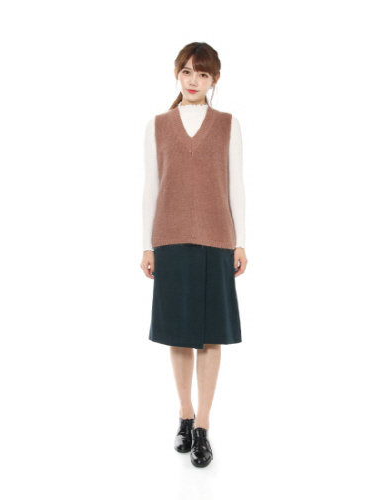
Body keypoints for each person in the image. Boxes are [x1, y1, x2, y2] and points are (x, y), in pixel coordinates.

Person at [140, 42, 248, 468]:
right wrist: (147, 244)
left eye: (203, 74)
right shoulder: (157, 125)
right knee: (179, 334)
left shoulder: (227, 125)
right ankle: (184, 413)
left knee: (211, 335)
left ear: (214, 80)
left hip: (217, 239)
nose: (193, 80)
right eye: (187, 71)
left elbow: (236, 184)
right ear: (176, 74)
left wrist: (240, 241)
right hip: (169, 239)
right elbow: (151, 186)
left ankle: (203, 424)